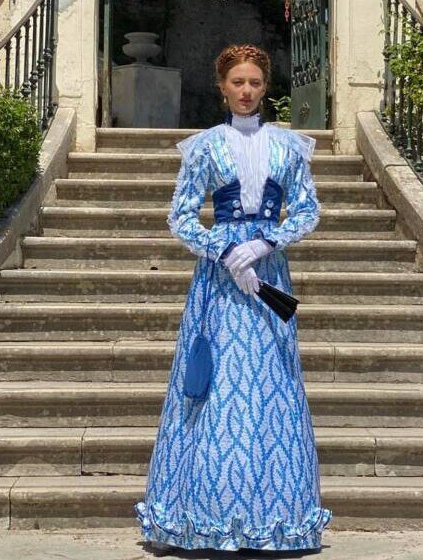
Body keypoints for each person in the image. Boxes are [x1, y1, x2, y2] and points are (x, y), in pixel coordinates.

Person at [133, 44, 333, 553]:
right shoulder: (203, 148)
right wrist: (224, 252)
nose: (246, 91)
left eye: (255, 83)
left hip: (268, 277)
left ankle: (273, 518)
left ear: (266, 88)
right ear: (222, 87)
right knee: (218, 386)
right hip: (219, 283)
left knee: (269, 383)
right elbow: (180, 217)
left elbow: (307, 210)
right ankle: (204, 515)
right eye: (238, 82)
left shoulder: (289, 147)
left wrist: (264, 244)